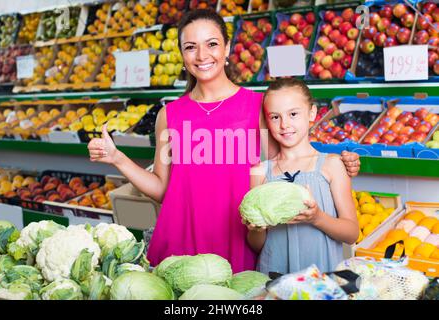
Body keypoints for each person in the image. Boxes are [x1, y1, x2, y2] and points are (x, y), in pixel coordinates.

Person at [87, 9, 361, 273]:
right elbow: (162, 188)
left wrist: (339, 162)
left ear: (228, 48)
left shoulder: (258, 107)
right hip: (180, 244)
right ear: (182, 55)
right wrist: (117, 158)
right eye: (191, 47)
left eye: (212, 44)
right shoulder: (168, 115)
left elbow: (288, 166)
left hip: (238, 244)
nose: (202, 55)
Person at [245, 78, 360, 274]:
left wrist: (317, 218)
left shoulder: (331, 165)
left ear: (312, 113)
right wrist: (255, 229)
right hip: (274, 279)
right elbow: (258, 245)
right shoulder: (260, 172)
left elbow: (351, 233)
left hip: (321, 283)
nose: (284, 124)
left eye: (293, 114)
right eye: (275, 117)